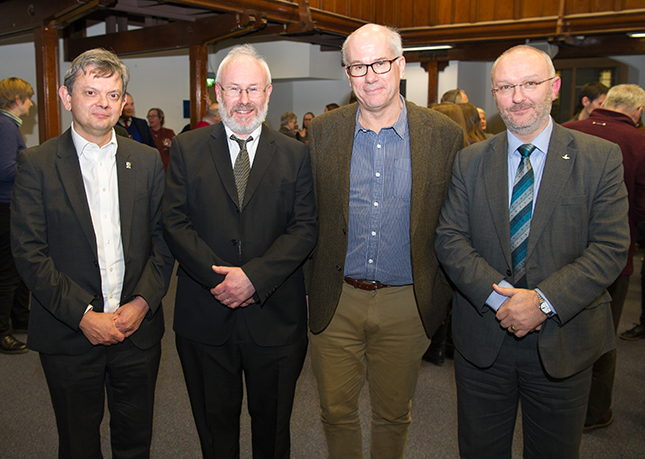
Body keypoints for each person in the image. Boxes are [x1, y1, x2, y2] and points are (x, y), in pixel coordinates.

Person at [435, 44, 630, 458]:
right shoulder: (469, 161)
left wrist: (542, 302)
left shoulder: (599, 158)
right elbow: (450, 238)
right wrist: (500, 297)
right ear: (494, 93)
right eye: (505, 86)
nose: (518, 96)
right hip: (483, 338)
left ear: (554, 87)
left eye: (529, 84)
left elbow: (610, 247)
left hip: (564, 339)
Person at [307, 24, 464, 459]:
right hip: (335, 298)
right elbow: (307, 215)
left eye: (379, 63)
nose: (370, 75)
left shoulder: (442, 135)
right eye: (358, 66)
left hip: (406, 302)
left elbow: (454, 222)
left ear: (401, 65)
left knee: (393, 414)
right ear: (348, 72)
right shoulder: (322, 132)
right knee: (334, 411)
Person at [10, 48, 174, 458]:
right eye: (91, 92)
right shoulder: (37, 163)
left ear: (123, 101)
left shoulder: (148, 161)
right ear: (67, 98)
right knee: (78, 444)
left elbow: (164, 240)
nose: (103, 102)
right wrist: (84, 316)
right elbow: (30, 253)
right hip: (68, 334)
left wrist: (141, 303)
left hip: (137, 332)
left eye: (113, 94)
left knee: (136, 441)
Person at [162, 44, 317, 459]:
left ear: (268, 93)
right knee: (215, 432)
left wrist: (253, 278)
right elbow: (174, 222)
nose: (244, 100)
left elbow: (305, 228)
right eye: (234, 89)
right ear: (218, 94)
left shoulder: (296, 154)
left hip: (276, 320)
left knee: (274, 432)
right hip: (205, 317)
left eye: (253, 89)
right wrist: (223, 280)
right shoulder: (186, 148)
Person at [564, 84, 645, 430]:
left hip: (561, 253)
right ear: (637, 111)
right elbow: (641, 205)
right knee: (602, 336)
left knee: (559, 327)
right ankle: (594, 413)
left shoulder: (564, 131)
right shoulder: (639, 141)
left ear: (605, 103)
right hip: (612, 255)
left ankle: (557, 406)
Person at [0, 77, 32, 354]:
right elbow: (6, 170)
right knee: (8, 273)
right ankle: (3, 332)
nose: (31, 104)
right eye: (28, 99)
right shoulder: (6, 126)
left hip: (6, 204)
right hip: (5, 206)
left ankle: (21, 318)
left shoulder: (8, 126)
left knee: (17, 270)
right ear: (17, 101)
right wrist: (33, 168)